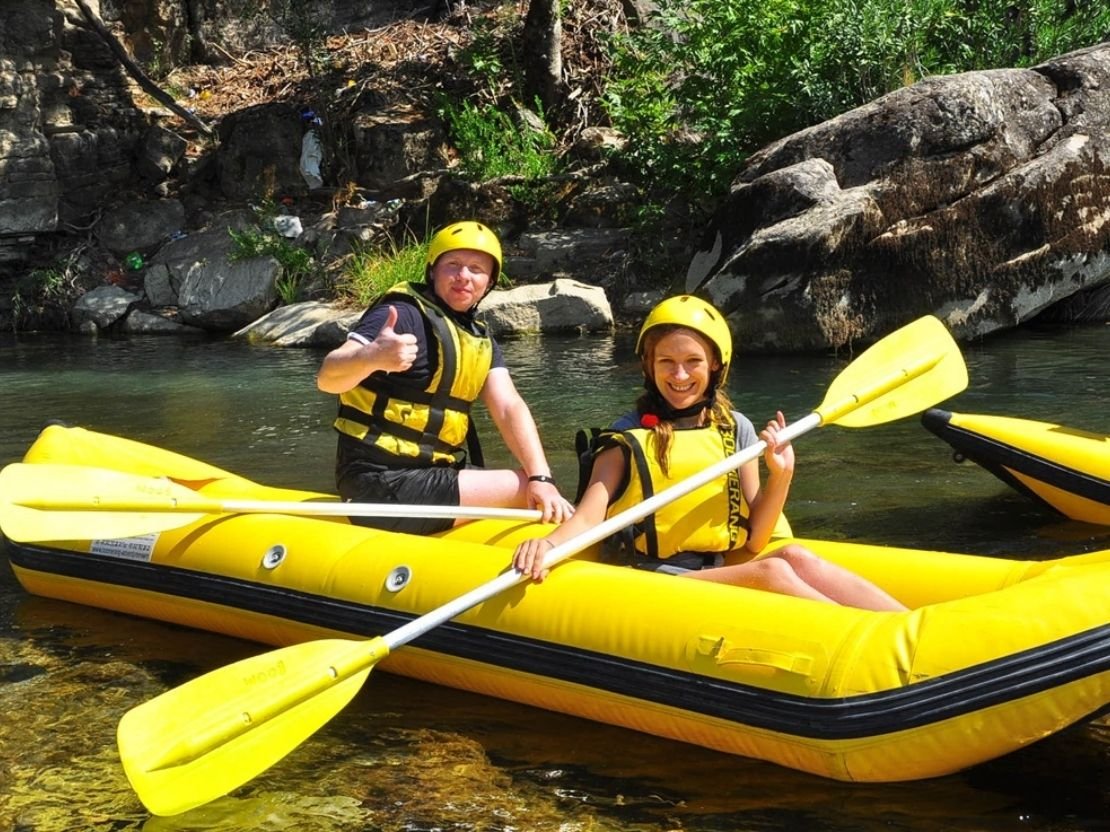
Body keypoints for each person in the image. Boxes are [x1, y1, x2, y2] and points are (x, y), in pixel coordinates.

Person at [512, 295, 906, 611]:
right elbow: (587, 519)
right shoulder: (625, 438)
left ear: (716, 364)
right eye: (666, 361)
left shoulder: (736, 429)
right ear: (649, 366)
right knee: (770, 574)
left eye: (692, 362)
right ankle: (875, 643)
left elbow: (755, 540)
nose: (679, 376)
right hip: (653, 579)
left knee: (797, 557)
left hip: (715, 567)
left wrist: (781, 475)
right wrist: (546, 546)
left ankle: (907, 627)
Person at [317, 220, 574, 534]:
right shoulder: (402, 314)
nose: (464, 276)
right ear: (433, 271)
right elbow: (328, 378)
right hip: (379, 484)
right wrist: (371, 357)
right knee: (521, 486)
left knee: (535, 480)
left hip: (427, 475)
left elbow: (508, 407)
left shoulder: (479, 338)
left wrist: (542, 476)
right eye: (453, 265)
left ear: (490, 281)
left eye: (477, 269)